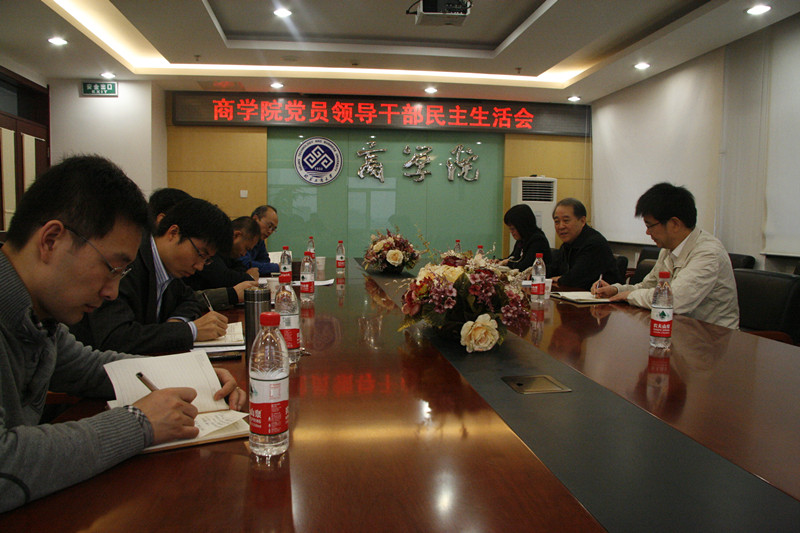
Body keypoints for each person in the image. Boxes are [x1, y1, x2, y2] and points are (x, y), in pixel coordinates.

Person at [0, 155, 246, 512]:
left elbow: (90, 366)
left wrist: (199, 378)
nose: (113, 292)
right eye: (112, 268)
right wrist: (138, 423)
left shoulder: (39, 317)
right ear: (51, 240)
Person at [71, 198, 233, 354]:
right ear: (173, 233)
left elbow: (189, 300)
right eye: (200, 254)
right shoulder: (129, 262)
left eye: (206, 260)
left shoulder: (170, 268)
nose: (199, 266)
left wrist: (177, 323)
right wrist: (190, 331)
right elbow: (115, 337)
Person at [593, 182, 739, 329]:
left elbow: (673, 300)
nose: (647, 232)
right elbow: (648, 286)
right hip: (679, 330)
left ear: (674, 224)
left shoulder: (708, 253)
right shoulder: (668, 249)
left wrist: (629, 296)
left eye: (650, 226)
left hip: (714, 337)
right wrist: (617, 290)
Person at [549, 198, 620, 289]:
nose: (561, 226)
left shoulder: (594, 243)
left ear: (582, 221)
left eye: (566, 221)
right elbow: (554, 270)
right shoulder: (567, 244)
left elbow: (575, 278)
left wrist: (560, 279)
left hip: (601, 296)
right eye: (557, 222)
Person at [186, 216, 261, 297]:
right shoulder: (212, 244)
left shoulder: (228, 252)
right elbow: (223, 278)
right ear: (236, 235)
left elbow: (239, 267)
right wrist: (249, 276)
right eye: (246, 248)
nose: (244, 254)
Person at [499, 204, 552, 271]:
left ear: (522, 226)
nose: (511, 232)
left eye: (513, 229)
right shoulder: (522, 239)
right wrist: (499, 261)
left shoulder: (538, 240)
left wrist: (507, 262)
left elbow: (525, 266)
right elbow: (513, 258)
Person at [238, 205, 279, 275]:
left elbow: (265, 261)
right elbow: (244, 264)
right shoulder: (241, 235)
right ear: (255, 219)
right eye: (269, 226)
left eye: (273, 229)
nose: (270, 231)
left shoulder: (260, 240)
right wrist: (277, 267)